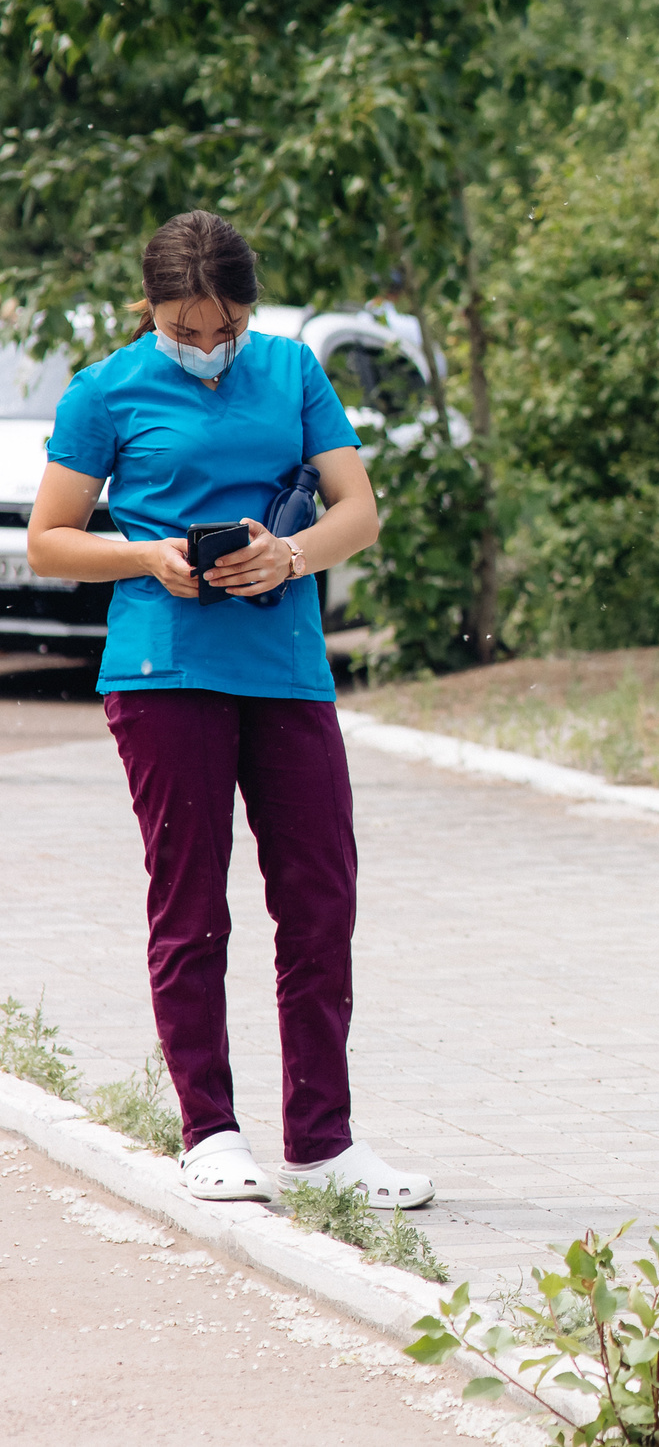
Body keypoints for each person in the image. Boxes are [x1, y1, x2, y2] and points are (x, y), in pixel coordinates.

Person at [26, 210, 425, 1209]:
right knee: (192, 905)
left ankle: (322, 1141)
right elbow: (49, 542)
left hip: (286, 668)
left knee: (320, 897)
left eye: (225, 326)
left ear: (250, 308)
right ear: (148, 308)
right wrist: (147, 555)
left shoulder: (293, 372)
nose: (206, 347)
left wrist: (288, 554)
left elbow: (357, 512)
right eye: (183, 327)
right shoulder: (105, 390)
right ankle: (209, 1131)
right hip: (163, 674)